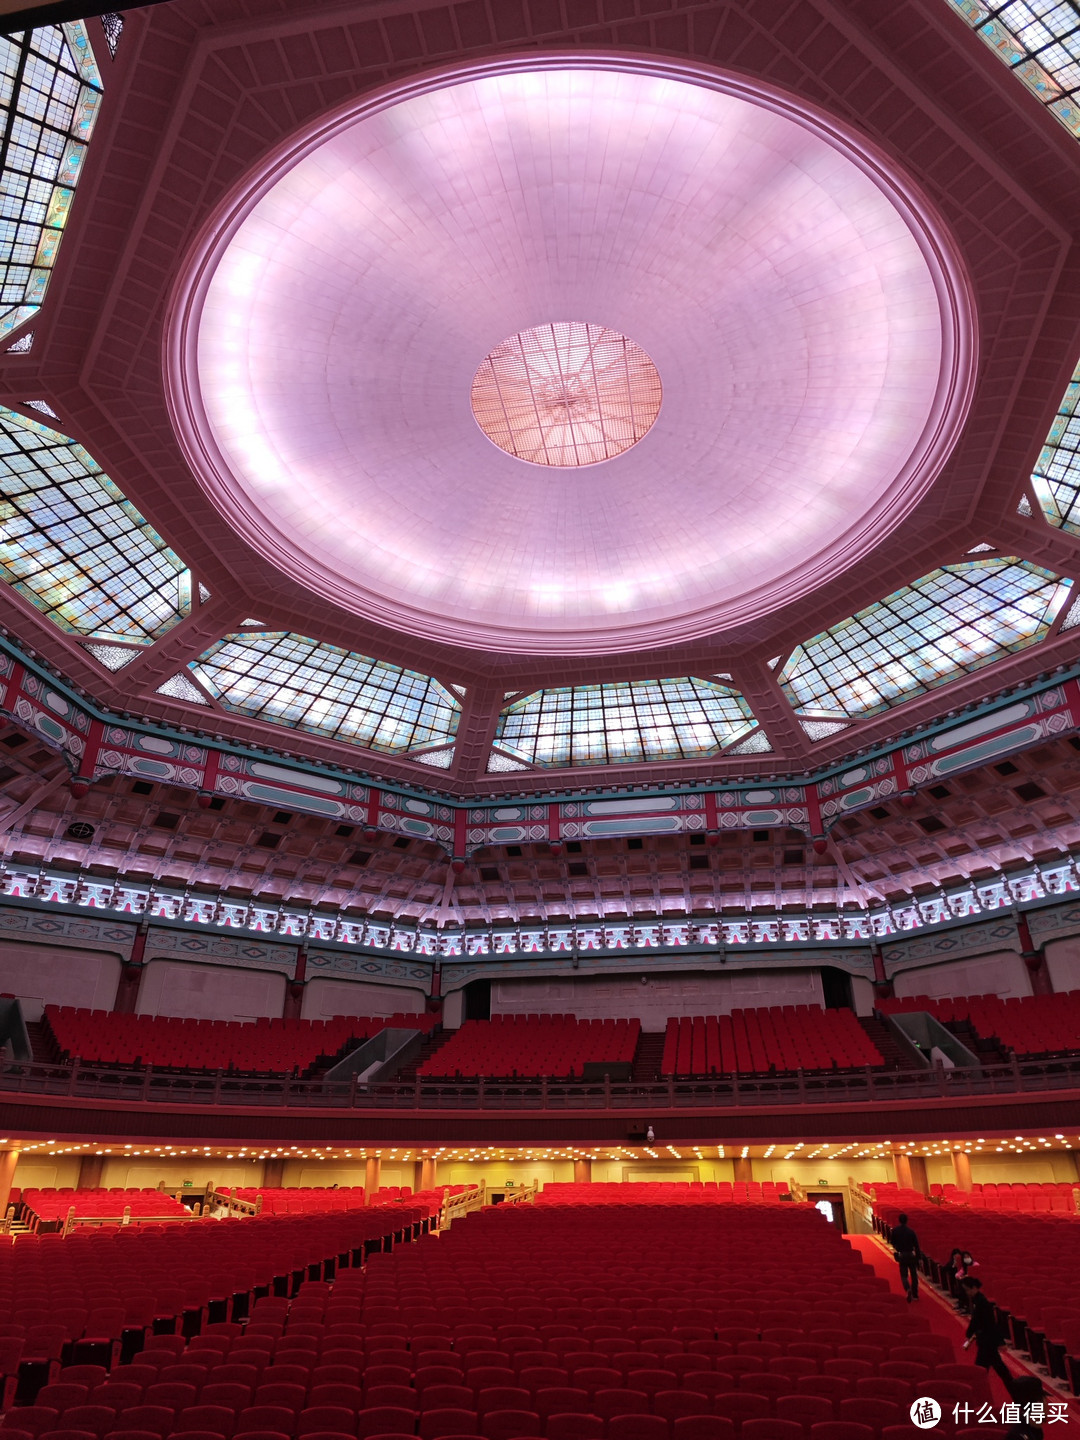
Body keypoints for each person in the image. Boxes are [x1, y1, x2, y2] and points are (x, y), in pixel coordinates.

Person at [962, 1275, 1014, 1394]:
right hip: (986, 1341)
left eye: (967, 1290)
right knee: (998, 1371)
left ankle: (975, 1393)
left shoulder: (982, 1303)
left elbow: (990, 1324)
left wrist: (1000, 1342)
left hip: (987, 1342)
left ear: (974, 1288)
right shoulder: (978, 1301)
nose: (967, 1293)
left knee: (987, 1370)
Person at [890, 1211, 920, 1301]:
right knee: (914, 1275)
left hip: (902, 1254)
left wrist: (897, 1248)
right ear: (907, 1221)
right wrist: (919, 1257)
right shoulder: (911, 1231)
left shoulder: (895, 1231)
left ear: (899, 1220)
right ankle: (915, 1294)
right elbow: (916, 1245)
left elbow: (892, 1242)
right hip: (911, 1254)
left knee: (904, 1275)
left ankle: (907, 1289)